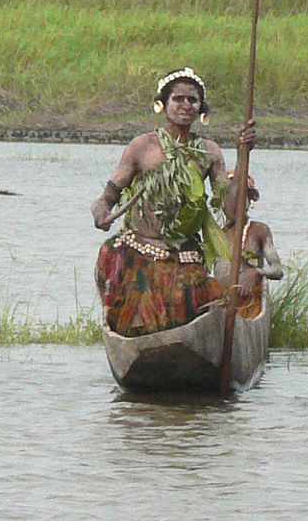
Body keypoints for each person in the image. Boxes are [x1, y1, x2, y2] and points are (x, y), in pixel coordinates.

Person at [90, 68, 255, 336]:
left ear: (202, 109)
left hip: (183, 254)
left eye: (193, 100)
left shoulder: (210, 152)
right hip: (138, 250)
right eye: (178, 99)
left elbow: (231, 211)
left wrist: (242, 154)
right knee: (118, 270)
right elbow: (106, 198)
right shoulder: (143, 146)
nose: (186, 105)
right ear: (163, 104)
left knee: (197, 301)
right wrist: (101, 214)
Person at [212, 173, 283, 319]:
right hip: (221, 301)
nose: (233, 205)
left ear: (248, 201)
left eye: (238, 199)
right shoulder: (216, 233)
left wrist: (255, 272)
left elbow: (278, 270)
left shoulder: (259, 230)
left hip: (249, 304)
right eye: (228, 199)